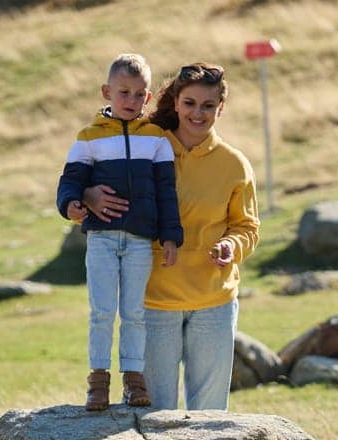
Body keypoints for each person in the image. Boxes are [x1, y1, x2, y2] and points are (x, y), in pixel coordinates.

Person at [82, 62, 258, 411]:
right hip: (153, 301)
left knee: (210, 415)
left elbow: (247, 227)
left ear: (220, 108)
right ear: (175, 102)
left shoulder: (234, 164)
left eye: (208, 106)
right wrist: (87, 196)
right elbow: (90, 170)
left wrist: (231, 246)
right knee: (151, 412)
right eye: (190, 103)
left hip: (214, 303)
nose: (198, 113)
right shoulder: (145, 144)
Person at [57, 53, 182, 411]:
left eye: (140, 94)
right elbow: (71, 181)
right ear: (106, 92)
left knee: (134, 313)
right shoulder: (89, 138)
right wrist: (73, 202)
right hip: (101, 239)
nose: (132, 101)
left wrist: (170, 235)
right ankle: (98, 382)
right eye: (123, 93)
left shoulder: (157, 140)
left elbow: (166, 192)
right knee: (101, 311)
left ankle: (133, 380)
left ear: (148, 97)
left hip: (141, 241)